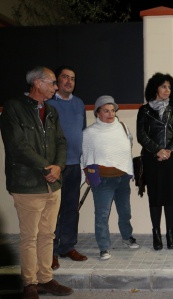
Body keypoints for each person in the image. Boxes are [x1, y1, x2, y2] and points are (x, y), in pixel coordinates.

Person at [0, 66, 73, 299]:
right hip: (27, 184)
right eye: (52, 83)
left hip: (52, 183)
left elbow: (61, 141)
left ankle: (46, 279)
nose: (55, 87)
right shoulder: (13, 108)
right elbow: (18, 146)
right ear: (37, 83)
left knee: (47, 235)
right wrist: (46, 167)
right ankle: (30, 283)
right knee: (29, 236)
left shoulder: (51, 112)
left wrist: (58, 167)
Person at [81, 95, 139, 260]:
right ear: (97, 112)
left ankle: (127, 237)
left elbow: (128, 147)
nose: (110, 114)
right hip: (102, 180)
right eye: (106, 111)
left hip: (122, 178)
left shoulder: (122, 127)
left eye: (112, 110)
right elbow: (84, 156)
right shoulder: (89, 133)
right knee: (102, 215)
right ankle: (104, 247)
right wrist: (87, 174)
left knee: (125, 211)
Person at [136, 73, 173, 250]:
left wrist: (169, 150)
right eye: (163, 86)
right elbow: (141, 135)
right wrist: (158, 150)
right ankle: (156, 233)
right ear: (155, 87)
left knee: (171, 197)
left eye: (169, 87)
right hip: (152, 159)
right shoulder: (144, 110)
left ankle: (170, 233)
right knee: (155, 197)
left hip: (172, 159)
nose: (167, 90)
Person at [46, 65, 87, 270]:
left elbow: (82, 132)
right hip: (55, 167)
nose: (69, 81)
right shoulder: (47, 103)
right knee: (53, 210)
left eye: (72, 78)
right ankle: (51, 251)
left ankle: (67, 246)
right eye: (65, 77)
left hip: (74, 165)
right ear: (57, 81)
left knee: (71, 208)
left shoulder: (79, 104)